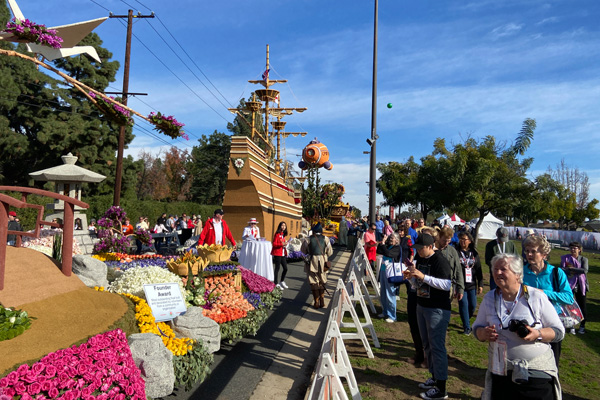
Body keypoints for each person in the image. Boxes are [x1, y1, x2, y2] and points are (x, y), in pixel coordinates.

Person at [473, 253, 564, 400]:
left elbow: (559, 331)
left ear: (517, 275)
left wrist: (537, 334)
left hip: (535, 373)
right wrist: (483, 333)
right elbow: (476, 328)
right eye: (495, 269)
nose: (497, 273)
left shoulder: (536, 297)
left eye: (503, 269)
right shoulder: (490, 298)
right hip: (501, 371)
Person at [404, 233, 452, 400]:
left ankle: (441, 388)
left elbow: (447, 285)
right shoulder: (422, 259)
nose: (419, 252)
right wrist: (411, 279)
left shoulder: (440, 260)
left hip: (437, 309)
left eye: (421, 248)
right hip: (422, 306)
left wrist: (423, 276)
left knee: (437, 347)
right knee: (428, 345)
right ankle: (434, 377)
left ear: (430, 246)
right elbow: (419, 284)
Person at [522, 234, 573, 368]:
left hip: (551, 324)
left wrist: (544, 293)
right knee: (528, 361)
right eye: (527, 251)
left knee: (552, 362)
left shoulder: (556, 273)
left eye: (533, 251)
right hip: (528, 322)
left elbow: (568, 297)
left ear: (544, 254)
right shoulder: (520, 272)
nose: (529, 254)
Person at [454, 231, 484, 335]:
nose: (462, 241)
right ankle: (467, 326)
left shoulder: (474, 253)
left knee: (472, 305)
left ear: (470, 241)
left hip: (472, 283)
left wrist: (480, 283)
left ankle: (466, 317)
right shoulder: (456, 252)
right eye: (461, 239)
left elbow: (479, 269)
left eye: (464, 239)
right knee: (463, 304)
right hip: (460, 284)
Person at [301, 223, 333, 309]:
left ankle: (316, 301)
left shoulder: (307, 239)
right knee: (322, 280)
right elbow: (330, 252)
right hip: (323, 261)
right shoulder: (326, 239)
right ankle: (322, 300)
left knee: (313, 281)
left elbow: (303, 251)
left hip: (312, 262)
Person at [560, 241, 588, 334]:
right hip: (568, 284)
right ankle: (571, 325)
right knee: (569, 305)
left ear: (579, 250)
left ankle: (582, 325)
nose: (572, 250)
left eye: (575, 248)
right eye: (571, 248)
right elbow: (562, 269)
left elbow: (584, 270)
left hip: (581, 284)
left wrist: (571, 269)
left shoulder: (584, 259)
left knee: (581, 306)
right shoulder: (566, 258)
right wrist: (570, 271)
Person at [376, 232, 401, 323]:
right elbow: (379, 250)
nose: (390, 239)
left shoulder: (397, 248)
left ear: (397, 240)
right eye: (390, 237)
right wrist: (382, 242)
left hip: (391, 273)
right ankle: (385, 311)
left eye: (392, 238)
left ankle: (392, 315)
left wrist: (383, 245)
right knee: (383, 292)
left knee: (390, 293)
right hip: (383, 271)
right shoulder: (389, 246)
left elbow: (388, 253)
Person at [436, 226, 464, 302]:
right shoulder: (433, 249)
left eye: (448, 241)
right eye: (444, 240)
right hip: (434, 283)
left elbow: (458, 269)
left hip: (448, 284)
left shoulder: (452, 251)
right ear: (439, 237)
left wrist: (460, 288)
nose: (446, 243)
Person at [271, 221, 289, 289]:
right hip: (277, 253)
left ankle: (282, 281)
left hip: (283, 253)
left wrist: (285, 243)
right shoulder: (277, 234)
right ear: (280, 226)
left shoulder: (283, 235)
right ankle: (276, 283)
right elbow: (274, 244)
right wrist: (282, 244)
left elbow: (282, 243)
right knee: (277, 268)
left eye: (284, 225)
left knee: (285, 268)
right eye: (282, 225)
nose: (283, 227)